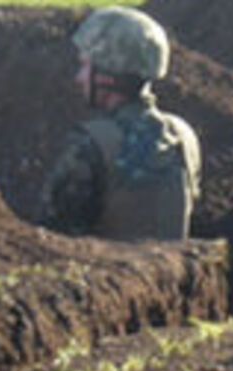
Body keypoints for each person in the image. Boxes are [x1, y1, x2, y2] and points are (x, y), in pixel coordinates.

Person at [38, 7, 202, 242]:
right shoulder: (184, 137)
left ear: (107, 77)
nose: (79, 78)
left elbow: (52, 238)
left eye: (85, 66)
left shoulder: (90, 145)